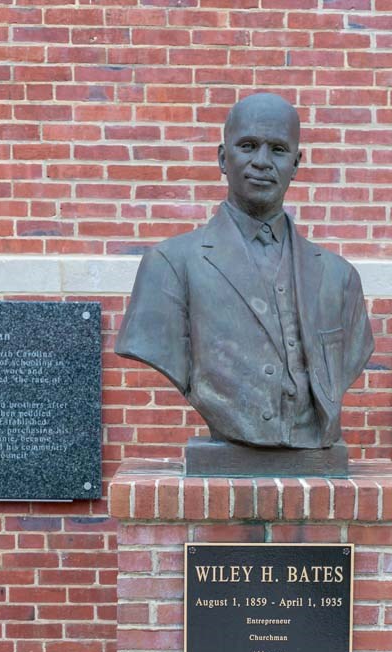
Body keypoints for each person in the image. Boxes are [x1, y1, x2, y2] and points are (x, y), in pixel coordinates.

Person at [115, 92, 374, 449]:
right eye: (248, 146)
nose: (262, 162)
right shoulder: (170, 265)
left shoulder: (340, 277)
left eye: (278, 150)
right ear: (224, 158)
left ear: (296, 164)